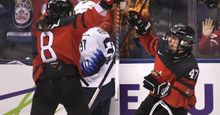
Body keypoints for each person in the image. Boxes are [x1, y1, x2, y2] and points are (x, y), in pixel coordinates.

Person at [31, 0, 116, 114]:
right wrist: (106, 3)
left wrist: (39, 76)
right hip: (68, 78)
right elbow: (92, 16)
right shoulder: (70, 24)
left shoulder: (41, 26)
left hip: (46, 78)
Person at [127, 9, 200, 115]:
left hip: (176, 107)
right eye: (170, 37)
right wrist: (140, 25)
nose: (170, 40)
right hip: (155, 96)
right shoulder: (163, 45)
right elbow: (150, 44)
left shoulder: (190, 67)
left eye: (175, 39)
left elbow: (179, 99)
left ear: (185, 43)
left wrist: (165, 89)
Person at [79, 26, 115, 115]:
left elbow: (91, 67)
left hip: (91, 88)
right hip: (106, 85)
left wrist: (71, 69)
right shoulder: (100, 30)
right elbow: (111, 52)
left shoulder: (87, 36)